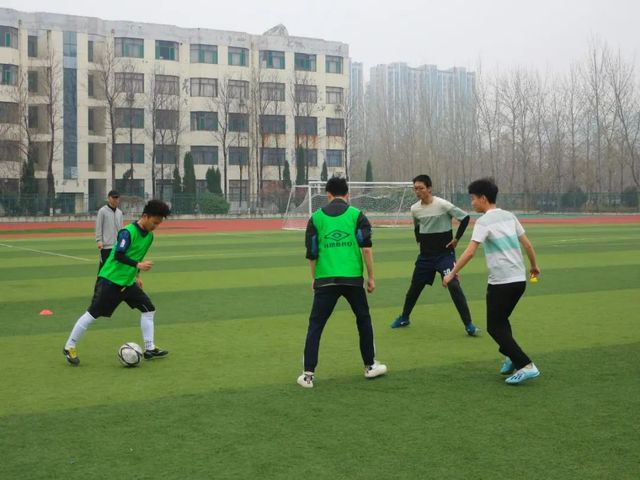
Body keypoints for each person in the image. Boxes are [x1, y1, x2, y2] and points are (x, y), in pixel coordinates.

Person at [442, 178, 541, 385]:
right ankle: (511, 357)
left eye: (473, 198)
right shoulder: (510, 216)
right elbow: (528, 245)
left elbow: (470, 252)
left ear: (483, 198)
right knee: (502, 321)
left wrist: (451, 274)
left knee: (494, 327)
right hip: (519, 280)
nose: (472, 203)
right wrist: (534, 267)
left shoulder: (484, 222)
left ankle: (526, 365)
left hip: (501, 282)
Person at [297, 177, 387, 388]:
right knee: (363, 319)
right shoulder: (357, 215)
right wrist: (371, 277)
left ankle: (308, 375)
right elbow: (366, 249)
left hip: (325, 279)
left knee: (316, 325)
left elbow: (312, 253)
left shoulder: (316, 218)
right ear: (348, 194)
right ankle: (370, 366)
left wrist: (314, 279)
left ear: (327, 195)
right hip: (352, 279)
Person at [63, 200, 171, 366]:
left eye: (159, 223)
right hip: (110, 281)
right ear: (145, 216)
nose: (156, 226)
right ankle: (69, 346)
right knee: (92, 314)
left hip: (127, 282)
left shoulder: (149, 236)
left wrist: (137, 275)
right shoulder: (127, 233)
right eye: (155, 222)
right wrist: (138, 265)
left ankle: (150, 349)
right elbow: (119, 255)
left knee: (149, 309)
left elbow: (138, 255)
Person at [390, 174, 479, 336]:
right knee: (414, 288)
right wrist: (419, 241)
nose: (418, 191)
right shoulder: (415, 209)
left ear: (429, 189)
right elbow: (417, 227)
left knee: (453, 285)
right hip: (425, 257)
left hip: (444, 255)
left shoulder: (443, 205)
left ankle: (469, 324)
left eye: (421, 188)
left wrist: (456, 239)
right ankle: (404, 317)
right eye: (415, 189)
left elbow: (465, 218)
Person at [95, 190, 124, 272]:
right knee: (104, 268)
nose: (115, 199)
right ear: (109, 198)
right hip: (106, 246)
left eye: (117, 198)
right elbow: (99, 226)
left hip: (117, 246)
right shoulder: (102, 211)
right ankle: (99, 281)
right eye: (113, 197)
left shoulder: (119, 213)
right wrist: (99, 240)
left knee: (115, 269)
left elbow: (121, 229)